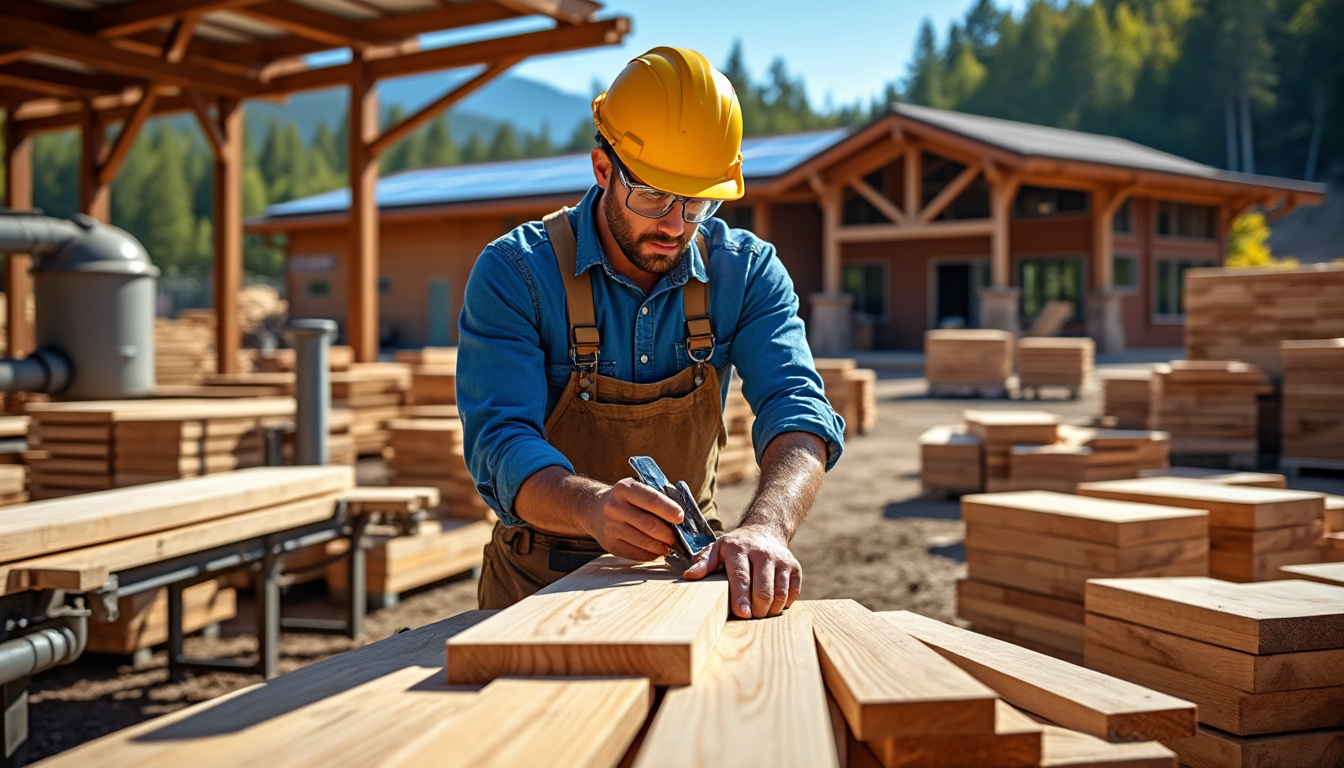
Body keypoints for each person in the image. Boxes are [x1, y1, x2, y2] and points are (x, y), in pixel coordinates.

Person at [456, 46, 845, 619]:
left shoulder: (746, 271)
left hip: (689, 579)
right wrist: (591, 507)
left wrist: (767, 527)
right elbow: (500, 442)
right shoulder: (516, 274)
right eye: (655, 195)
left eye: (696, 203)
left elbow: (798, 408)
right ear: (602, 169)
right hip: (535, 586)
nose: (674, 224)